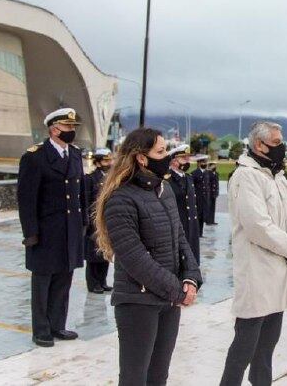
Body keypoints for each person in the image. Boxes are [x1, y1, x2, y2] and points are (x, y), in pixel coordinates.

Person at [93, 127, 201, 385]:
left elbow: (180, 240)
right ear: (142, 158)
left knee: (158, 375)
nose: (167, 156)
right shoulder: (121, 199)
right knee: (134, 377)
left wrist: (191, 278)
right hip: (137, 302)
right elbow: (134, 257)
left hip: (168, 300)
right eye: (161, 151)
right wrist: (176, 290)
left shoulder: (165, 191)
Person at [220, 121, 287, 386]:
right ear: (260, 144)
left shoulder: (276, 175)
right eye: (277, 143)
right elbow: (257, 225)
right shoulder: (246, 176)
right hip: (257, 271)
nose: (282, 148)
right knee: (244, 346)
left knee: (267, 346)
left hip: (279, 270)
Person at [17, 108, 87, 347]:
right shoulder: (35, 157)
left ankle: (58, 325)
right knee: (43, 282)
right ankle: (41, 329)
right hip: (46, 231)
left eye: (73, 127)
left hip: (70, 230)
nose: (72, 131)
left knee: (63, 280)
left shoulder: (75, 155)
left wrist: (84, 223)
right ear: (54, 129)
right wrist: (31, 233)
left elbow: (81, 193)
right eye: (68, 127)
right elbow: (26, 200)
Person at [84, 148, 113, 293]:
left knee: (105, 253)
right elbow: (86, 200)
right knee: (93, 255)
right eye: (105, 160)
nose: (109, 163)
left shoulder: (110, 178)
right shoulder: (90, 178)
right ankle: (93, 283)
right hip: (94, 223)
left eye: (110, 160)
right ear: (98, 162)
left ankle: (102, 281)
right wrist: (88, 222)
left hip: (107, 221)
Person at [167, 144, 201, 264]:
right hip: (177, 229)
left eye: (188, 158)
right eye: (184, 158)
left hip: (191, 228)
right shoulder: (167, 180)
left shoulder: (189, 178)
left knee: (191, 262)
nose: (187, 161)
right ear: (174, 160)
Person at [192, 156, 211, 236]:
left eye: (205, 162)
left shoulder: (207, 173)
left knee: (203, 216)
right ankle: (196, 232)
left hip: (204, 198)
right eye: (202, 162)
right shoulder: (195, 173)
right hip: (198, 198)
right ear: (199, 163)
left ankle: (201, 233)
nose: (204, 164)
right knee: (198, 215)